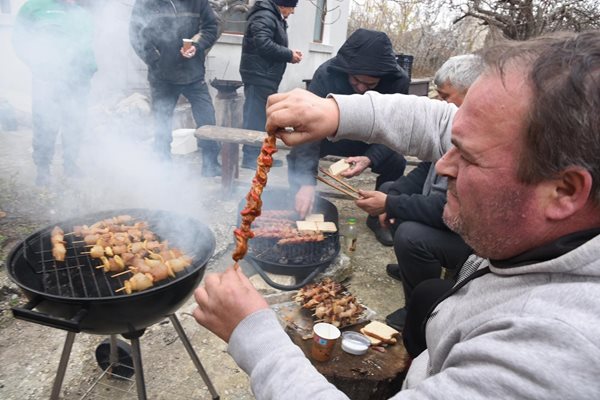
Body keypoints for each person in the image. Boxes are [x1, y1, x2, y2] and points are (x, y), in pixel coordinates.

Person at [194, 30, 600, 398]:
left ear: (564, 191)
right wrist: (336, 113)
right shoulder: (563, 225)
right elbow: (442, 123)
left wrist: (256, 338)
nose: (442, 165)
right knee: (427, 295)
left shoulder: (550, 353)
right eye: (452, 145)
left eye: (470, 158)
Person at [355, 54, 482, 330]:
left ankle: (419, 310)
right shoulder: (453, 125)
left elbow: (444, 208)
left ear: (473, 93)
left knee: (412, 235)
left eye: (446, 96)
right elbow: (426, 169)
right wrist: (393, 196)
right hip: (445, 218)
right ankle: (416, 270)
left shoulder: (480, 137)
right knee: (392, 188)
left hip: (470, 239)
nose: (440, 104)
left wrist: (391, 204)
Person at [287, 29, 410, 245]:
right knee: (298, 153)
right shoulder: (327, 73)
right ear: (346, 71)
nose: (362, 89)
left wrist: (370, 158)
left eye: (370, 84)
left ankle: (377, 218)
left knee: (396, 161)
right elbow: (307, 126)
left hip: (369, 138)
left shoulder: (397, 81)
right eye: (356, 81)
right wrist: (307, 181)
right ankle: (301, 204)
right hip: (328, 134)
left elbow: (395, 129)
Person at [129, 0, 221, 176]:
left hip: (193, 74)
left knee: (207, 117)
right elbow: (135, 35)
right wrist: (156, 60)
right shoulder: (147, 2)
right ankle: (163, 165)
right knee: (162, 122)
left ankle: (210, 163)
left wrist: (197, 46)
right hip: (161, 76)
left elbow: (211, 27)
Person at [12, 0, 97, 187]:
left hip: (78, 79)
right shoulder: (34, 7)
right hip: (47, 78)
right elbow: (19, 40)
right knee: (45, 122)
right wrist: (38, 64)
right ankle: (43, 169)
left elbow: (86, 45)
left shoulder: (81, 14)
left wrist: (91, 67)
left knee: (75, 121)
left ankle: (70, 164)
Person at [239, 0, 302, 169]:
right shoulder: (264, 15)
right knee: (255, 116)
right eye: (292, 7)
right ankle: (250, 158)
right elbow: (263, 44)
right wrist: (288, 54)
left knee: (261, 116)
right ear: (283, 4)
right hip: (259, 74)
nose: (293, 11)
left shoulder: (272, 15)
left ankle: (260, 157)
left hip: (265, 74)